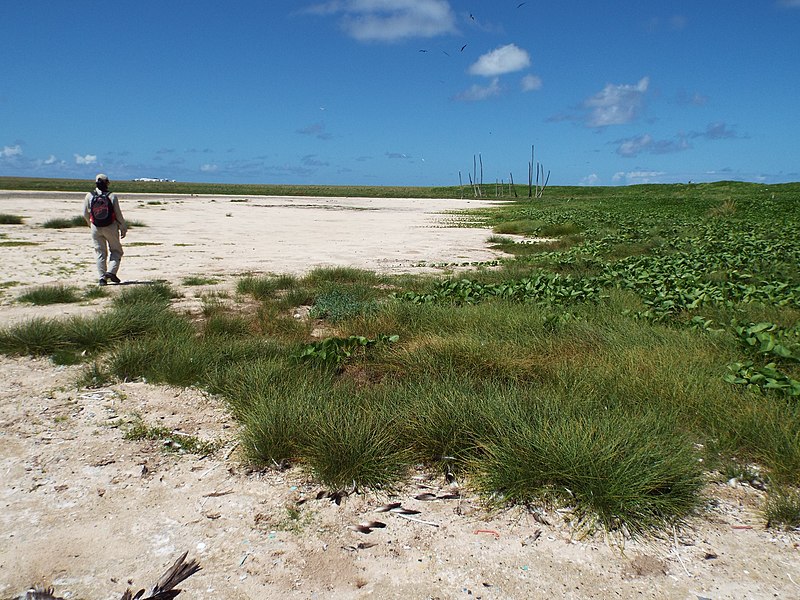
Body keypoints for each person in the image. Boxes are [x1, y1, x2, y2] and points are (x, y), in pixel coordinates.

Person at [83, 173, 128, 285]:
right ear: (107, 182)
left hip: (95, 226)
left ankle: (102, 278)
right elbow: (118, 214)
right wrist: (123, 226)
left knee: (100, 252)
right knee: (116, 250)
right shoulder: (111, 196)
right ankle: (111, 272)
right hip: (110, 226)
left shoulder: (89, 196)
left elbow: (85, 213)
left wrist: (90, 224)